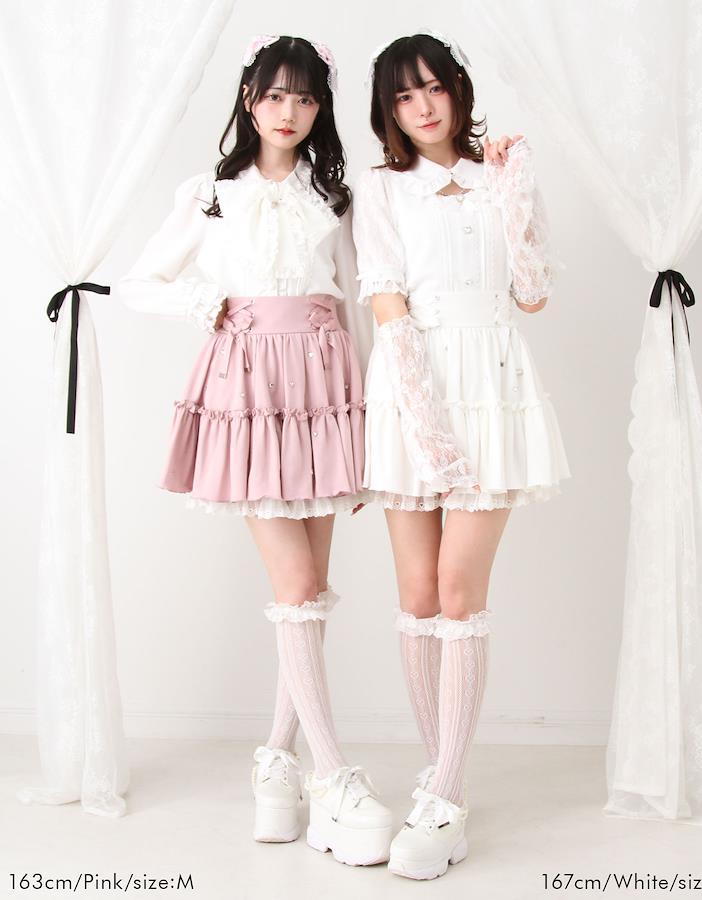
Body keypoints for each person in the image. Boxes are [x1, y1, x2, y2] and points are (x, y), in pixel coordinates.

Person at [117, 34, 392, 868]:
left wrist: (372, 423)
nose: (289, 112)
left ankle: (277, 765)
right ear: (249, 99)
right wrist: (208, 303)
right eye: (275, 96)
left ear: (320, 108)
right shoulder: (209, 196)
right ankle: (332, 775)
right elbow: (138, 281)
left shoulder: (334, 196)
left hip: (325, 389)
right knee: (297, 587)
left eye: (305, 99)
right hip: (247, 390)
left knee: (308, 597)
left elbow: (356, 303)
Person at [352, 30, 571, 880]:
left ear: (458, 91)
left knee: (457, 590)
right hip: (413, 386)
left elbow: (533, 292)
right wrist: (424, 420)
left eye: (434, 87)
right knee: (415, 593)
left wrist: (513, 189)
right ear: (389, 110)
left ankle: (444, 797)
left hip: (493, 388)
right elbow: (384, 296)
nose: (423, 106)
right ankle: (440, 784)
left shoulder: (498, 176)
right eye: (404, 96)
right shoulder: (382, 187)